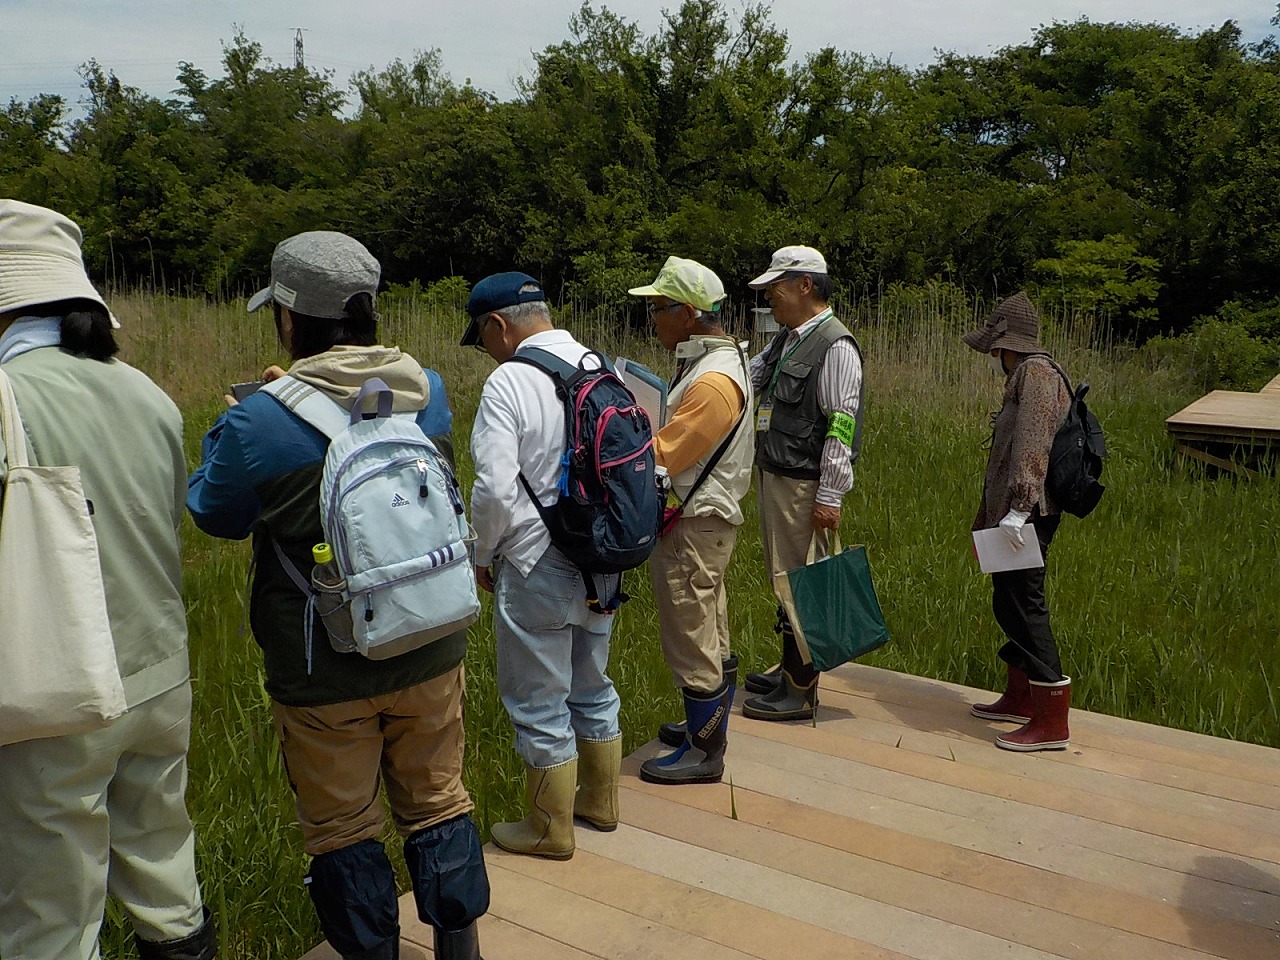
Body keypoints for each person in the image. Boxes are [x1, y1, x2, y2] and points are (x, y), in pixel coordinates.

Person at [187, 232, 488, 960]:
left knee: (344, 826)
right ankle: (460, 945)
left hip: (321, 663)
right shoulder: (429, 390)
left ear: (289, 320)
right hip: (430, 639)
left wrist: (233, 423)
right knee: (439, 799)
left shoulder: (257, 421)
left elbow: (214, 513)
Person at [0, 200, 217, 960]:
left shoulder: (9, 396)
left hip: (52, 696)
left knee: (51, 918)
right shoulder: (149, 394)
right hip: (159, 676)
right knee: (166, 873)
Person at [463, 271, 623, 859]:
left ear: (498, 326)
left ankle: (549, 829)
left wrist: (483, 555)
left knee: (537, 700)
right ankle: (600, 801)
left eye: (482, 338)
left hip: (536, 559)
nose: (487, 351)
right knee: (591, 680)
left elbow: (495, 490)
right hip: (603, 557)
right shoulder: (599, 365)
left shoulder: (509, 381)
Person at [626, 257, 753, 785]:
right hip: (705, 521)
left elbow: (663, 455)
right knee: (710, 625)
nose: (652, 320)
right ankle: (705, 725)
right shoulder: (720, 363)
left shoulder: (711, 383)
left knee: (690, 633)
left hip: (694, 523)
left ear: (689, 314)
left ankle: (706, 751)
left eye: (657, 310)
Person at [740, 245, 865, 722]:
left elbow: (841, 423)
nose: (770, 297)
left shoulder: (835, 345)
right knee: (784, 578)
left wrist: (831, 494)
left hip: (804, 483)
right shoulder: (787, 339)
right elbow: (752, 381)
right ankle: (789, 667)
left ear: (806, 285)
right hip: (777, 475)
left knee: (801, 584)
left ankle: (801, 690)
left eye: (777, 287)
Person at [962, 291, 1074, 751]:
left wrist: (1018, 509)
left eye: (994, 348)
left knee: (1026, 606)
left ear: (1008, 345)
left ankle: (1051, 722)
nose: (992, 356)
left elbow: (1032, 443)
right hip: (1012, 515)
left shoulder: (1037, 376)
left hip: (1028, 515)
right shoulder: (1028, 374)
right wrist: (987, 519)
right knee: (1007, 602)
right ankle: (1020, 695)